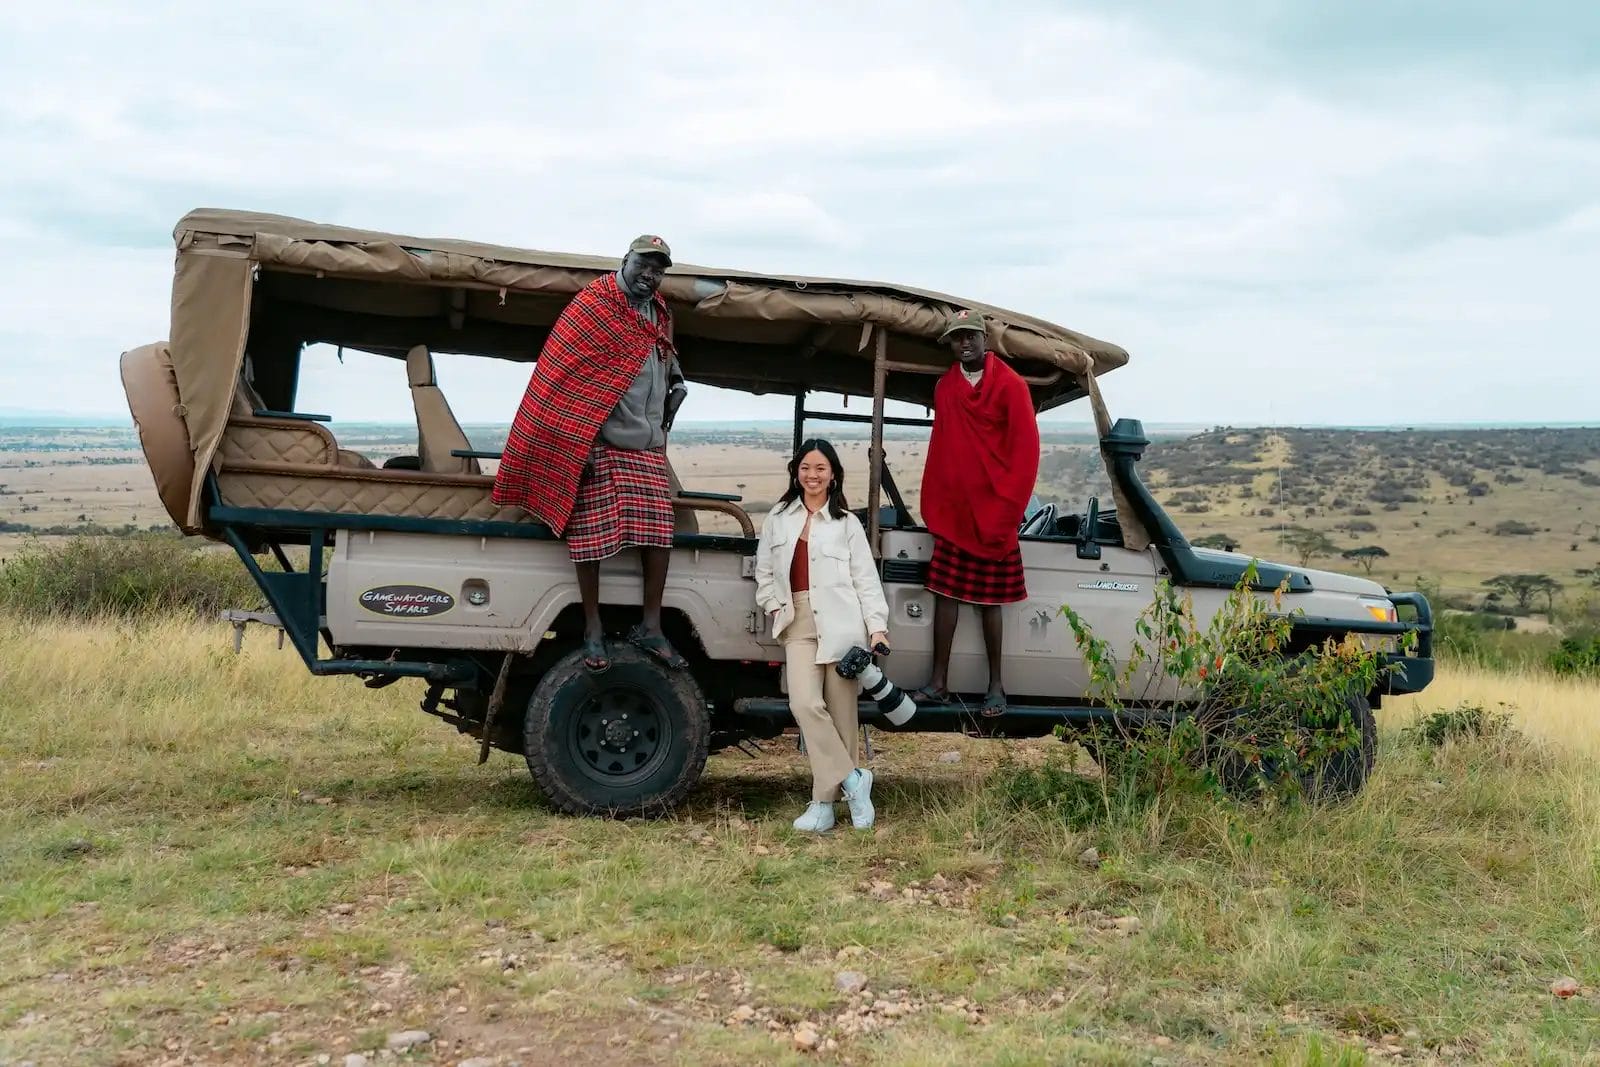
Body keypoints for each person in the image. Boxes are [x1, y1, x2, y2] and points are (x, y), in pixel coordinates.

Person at [492, 235, 690, 673]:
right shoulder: (594, 306)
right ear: (626, 259)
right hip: (600, 441)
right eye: (644, 264)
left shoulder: (659, 311)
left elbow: (664, 357)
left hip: (646, 444)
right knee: (590, 539)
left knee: (660, 534)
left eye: (659, 269)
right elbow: (563, 377)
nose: (650, 275)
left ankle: (651, 627)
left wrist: (676, 384)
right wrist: (575, 444)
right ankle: (592, 629)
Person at [754, 439, 890, 832]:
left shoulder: (847, 523)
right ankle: (853, 780)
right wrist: (775, 606)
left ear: (833, 475)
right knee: (805, 705)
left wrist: (877, 628)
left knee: (843, 718)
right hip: (796, 623)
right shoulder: (779, 517)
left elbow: (866, 580)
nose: (812, 475)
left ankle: (823, 807)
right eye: (805, 468)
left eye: (820, 468)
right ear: (796, 473)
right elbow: (764, 574)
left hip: (843, 626)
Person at [914, 309, 1041, 717]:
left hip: (996, 510)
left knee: (990, 602)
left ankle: (996, 687)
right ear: (950, 344)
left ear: (985, 340)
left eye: (971, 336)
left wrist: (1008, 508)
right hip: (956, 512)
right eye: (957, 338)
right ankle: (938, 684)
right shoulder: (946, 387)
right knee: (945, 596)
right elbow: (945, 449)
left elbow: (1025, 453)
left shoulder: (1011, 385)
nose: (964, 343)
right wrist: (941, 501)